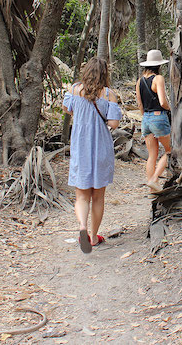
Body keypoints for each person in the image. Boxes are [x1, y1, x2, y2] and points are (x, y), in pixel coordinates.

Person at [62, 58, 122, 254]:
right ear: (105, 73)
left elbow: (66, 109)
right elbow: (113, 124)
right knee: (98, 196)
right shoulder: (108, 94)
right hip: (101, 147)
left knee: (81, 195)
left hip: (80, 147)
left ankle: (82, 228)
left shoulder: (74, 90)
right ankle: (94, 237)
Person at [136, 49, 171, 192]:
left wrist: (146, 117)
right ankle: (155, 179)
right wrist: (171, 109)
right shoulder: (158, 79)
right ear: (159, 65)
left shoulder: (139, 81)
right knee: (170, 151)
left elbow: (140, 105)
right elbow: (163, 101)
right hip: (159, 116)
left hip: (146, 119)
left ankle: (152, 190)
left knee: (152, 155)